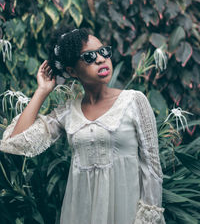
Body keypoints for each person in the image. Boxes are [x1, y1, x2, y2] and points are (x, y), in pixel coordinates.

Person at [0, 26, 166, 224]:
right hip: (80, 213)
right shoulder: (68, 113)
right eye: (88, 57)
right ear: (71, 70)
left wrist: (148, 218)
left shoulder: (134, 101)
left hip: (127, 212)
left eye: (104, 52)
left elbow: (152, 167)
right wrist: (42, 91)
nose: (100, 59)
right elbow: (15, 142)